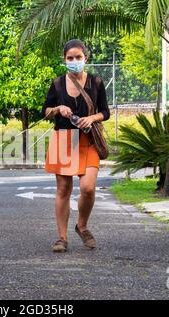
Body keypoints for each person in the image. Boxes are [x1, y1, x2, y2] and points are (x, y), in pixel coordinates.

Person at [42, 39, 110, 253]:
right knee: (63, 189)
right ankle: (61, 237)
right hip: (64, 139)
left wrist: (92, 119)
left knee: (88, 188)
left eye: (78, 57)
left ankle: (82, 226)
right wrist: (58, 108)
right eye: (70, 58)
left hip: (89, 140)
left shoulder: (96, 82)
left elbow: (105, 112)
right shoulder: (57, 84)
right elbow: (45, 111)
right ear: (64, 60)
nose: (74, 61)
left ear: (85, 58)